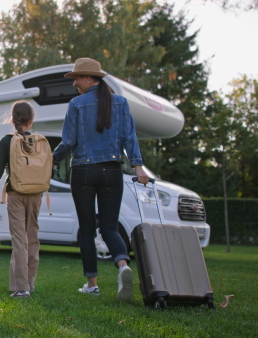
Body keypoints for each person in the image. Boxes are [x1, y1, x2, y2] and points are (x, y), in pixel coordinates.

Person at [52, 57, 149, 302]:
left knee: (86, 229)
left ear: (88, 78)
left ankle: (92, 284)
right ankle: (123, 266)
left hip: (83, 171)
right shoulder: (120, 103)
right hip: (112, 171)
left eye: (76, 78)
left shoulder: (76, 104)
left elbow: (69, 141)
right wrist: (138, 168)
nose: (74, 83)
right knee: (108, 225)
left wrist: (50, 160)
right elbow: (130, 138)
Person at [0, 100, 44, 298]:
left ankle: (22, 288)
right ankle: (30, 281)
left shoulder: (7, 141)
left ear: (12, 120)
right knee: (32, 238)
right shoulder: (39, 141)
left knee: (19, 239)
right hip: (37, 194)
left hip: (16, 194)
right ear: (31, 119)